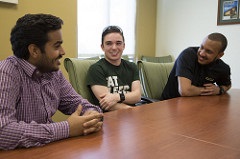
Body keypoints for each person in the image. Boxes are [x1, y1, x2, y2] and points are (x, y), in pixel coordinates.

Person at [0, 14, 103, 150]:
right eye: (56, 46)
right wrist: (66, 128)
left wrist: (90, 115)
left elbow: (78, 104)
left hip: (47, 150)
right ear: (34, 50)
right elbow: (3, 131)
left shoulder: (53, 72)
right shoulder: (7, 72)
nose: (63, 51)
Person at [160, 32, 231, 100]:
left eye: (209, 51)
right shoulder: (187, 55)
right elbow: (185, 91)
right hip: (170, 104)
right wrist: (208, 90)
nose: (202, 53)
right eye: (201, 47)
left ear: (220, 55)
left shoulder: (223, 68)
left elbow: (227, 85)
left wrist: (219, 90)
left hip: (196, 104)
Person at [86, 26, 141, 112]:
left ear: (123, 46)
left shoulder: (132, 66)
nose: (114, 47)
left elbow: (137, 96)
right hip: (109, 118)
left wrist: (117, 97)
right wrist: (131, 110)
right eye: (109, 43)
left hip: (131, 117)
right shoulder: (96, 69)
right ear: (102, 47)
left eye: (118, 43)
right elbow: (107, 103)